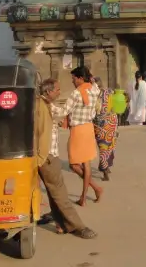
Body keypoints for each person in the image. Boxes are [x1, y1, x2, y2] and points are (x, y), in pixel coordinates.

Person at [35, 78, 96, 239]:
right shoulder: (43, 106)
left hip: (45, 154)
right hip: (47, 154)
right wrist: (77, 97)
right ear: (48, 92)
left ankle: (61, 223)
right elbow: (61, 114)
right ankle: (77, 226)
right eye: (57, 89)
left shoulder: (44, 105)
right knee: (60, 193)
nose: (59, 92)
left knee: (53, 191)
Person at [52, 66, 103, 206]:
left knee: (74, 165)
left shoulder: (76, 93)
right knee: (86, 164)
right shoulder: (94, 90)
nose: (73, 81)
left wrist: (48, 105)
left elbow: (64, 110)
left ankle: (93, 190)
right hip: (88, 128)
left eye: (74, 78)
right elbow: (95, 85)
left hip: (78, 130)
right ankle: (86, 196)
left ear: (80, 78)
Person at [92, 76, 119, 182]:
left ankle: (105, 170)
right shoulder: (110, 92)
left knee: (103, 146)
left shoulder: (94, 95)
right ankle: (105, 164)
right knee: (109, 145)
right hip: (112, 121)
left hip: (101, 124)